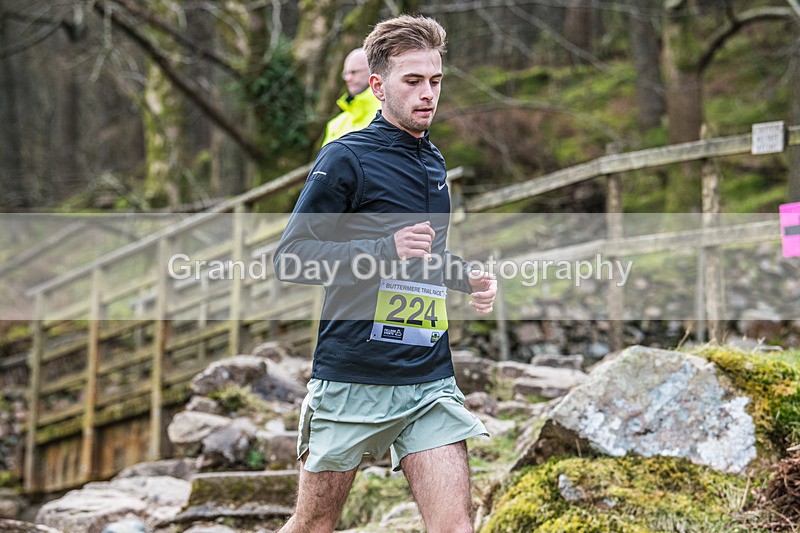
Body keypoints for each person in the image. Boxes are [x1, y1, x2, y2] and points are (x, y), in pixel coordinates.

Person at [274, 14, 497, 533]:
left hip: (427, 377)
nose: (428, 94)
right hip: (353, 376)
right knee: (313, 525)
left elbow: (425, 256)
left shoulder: (434, 163)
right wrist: (381, 249)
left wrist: (467, 277)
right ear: (377, 86)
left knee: (455, 527)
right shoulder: (345, 158)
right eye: (412, 81)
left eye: (435, 80)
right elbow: (291, 257)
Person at [320, 47, 382, 146]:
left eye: (354, 72)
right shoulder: (335, 124)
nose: (348, 78)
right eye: (345, 73)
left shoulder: (388, 113)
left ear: (372, 70)